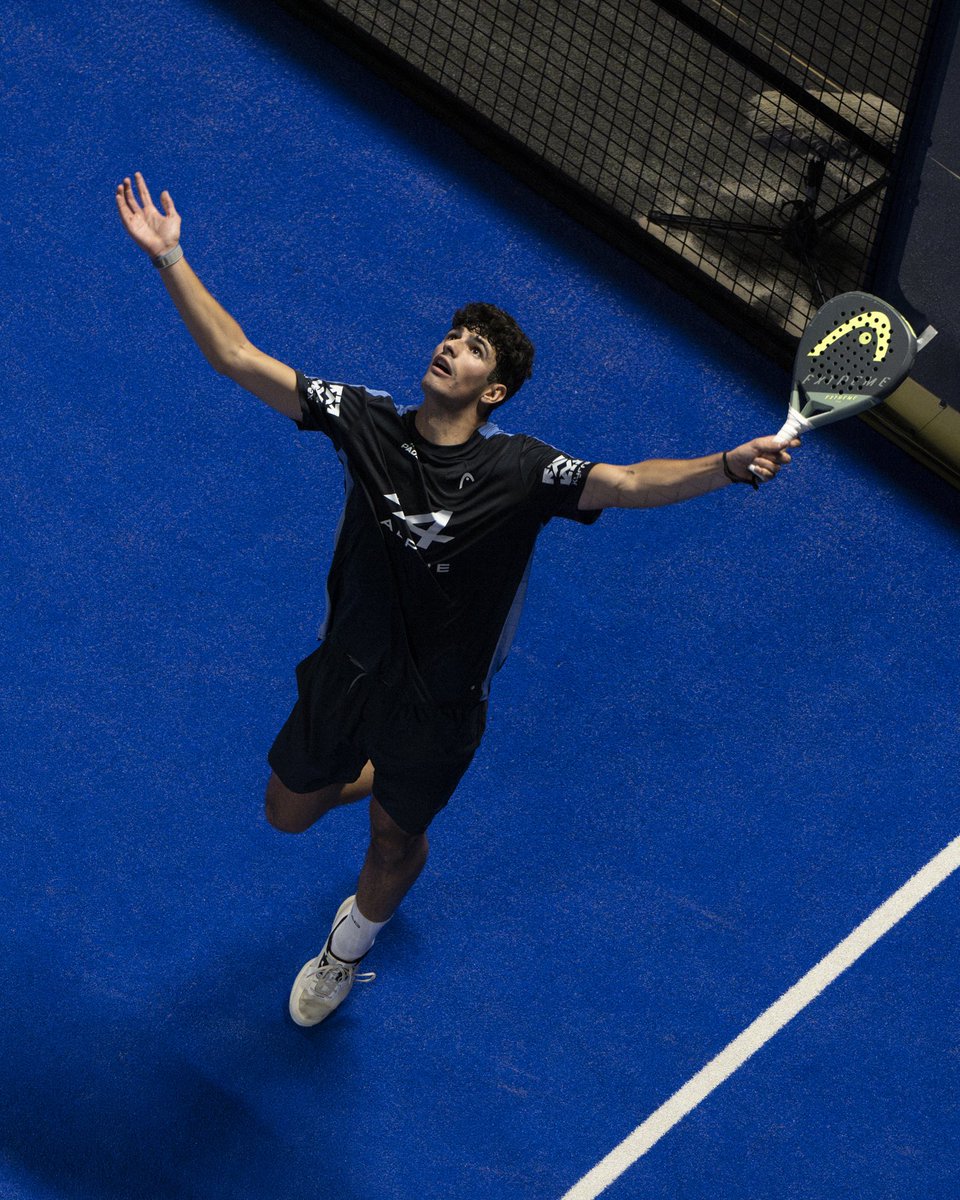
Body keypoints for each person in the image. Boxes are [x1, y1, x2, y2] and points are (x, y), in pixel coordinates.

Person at [115, 172, 798, 1027]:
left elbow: (627, 482)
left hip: (438, 704)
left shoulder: (521, 470)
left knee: (394, 840)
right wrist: (171, 257)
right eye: (453, 335)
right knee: (286, 814)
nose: (452, 347)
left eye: (474, 348)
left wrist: (725, 465)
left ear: (493, 390)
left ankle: (346, 949)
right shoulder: (364, 421)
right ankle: (375, 776)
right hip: (347, 670)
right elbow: (237, 357)